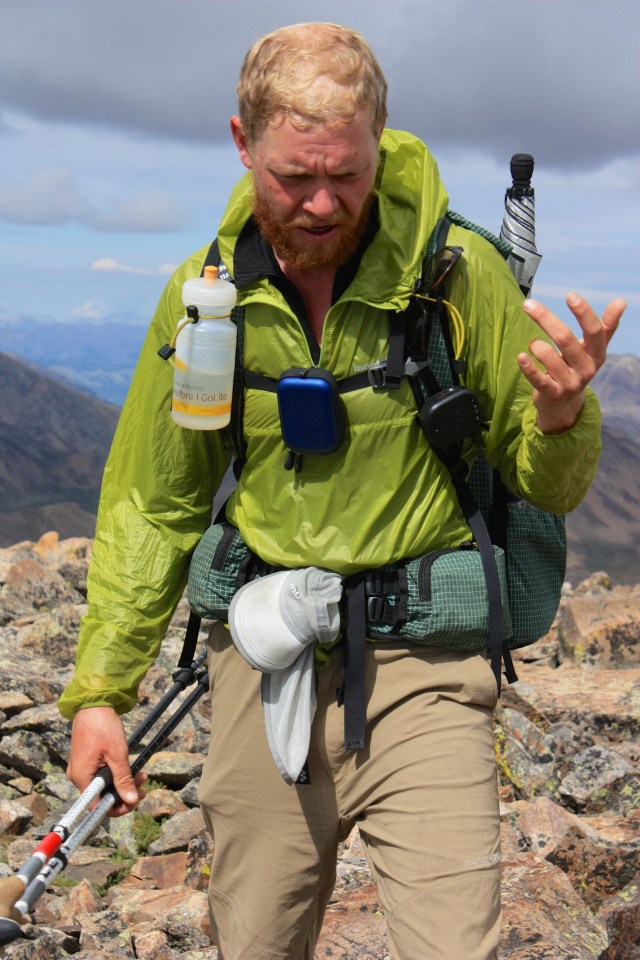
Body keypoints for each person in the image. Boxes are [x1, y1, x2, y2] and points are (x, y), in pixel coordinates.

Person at [59, 22, 625, 960]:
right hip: (266, 658)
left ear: (379, 139)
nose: (323, 204)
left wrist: (564, 420)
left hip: (426, 667)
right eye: (294, 177)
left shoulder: (459, 274)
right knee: (255, 942)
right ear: (242, 143)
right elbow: (154, 503)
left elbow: (541, 483)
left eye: (347, 174)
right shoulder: (206, 299)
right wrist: (100, 693)